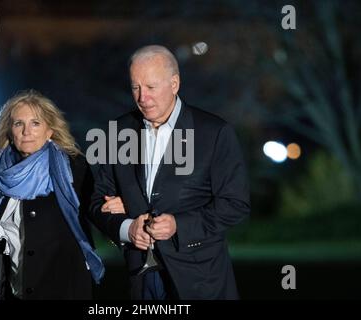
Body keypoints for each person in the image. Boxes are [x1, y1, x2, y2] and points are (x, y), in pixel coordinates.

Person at [89, 45, 250, 300]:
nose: (142, 97)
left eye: (151, 87)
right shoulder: (117, 132)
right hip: (140, 279)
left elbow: (235, 204)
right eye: (135, 87)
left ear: (174, 84)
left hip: (199, 280)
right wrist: (128, 228)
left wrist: (179, 225)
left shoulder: (214, 133)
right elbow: (97, 202)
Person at [0, 90, 104, 299]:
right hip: (14, 291)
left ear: (50, 131)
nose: (26, 131)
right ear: (10, 131)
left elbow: (97, 206)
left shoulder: (72, 168)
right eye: (19, 123)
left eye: (35, 123)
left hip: (64, 290)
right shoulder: (0, 175)